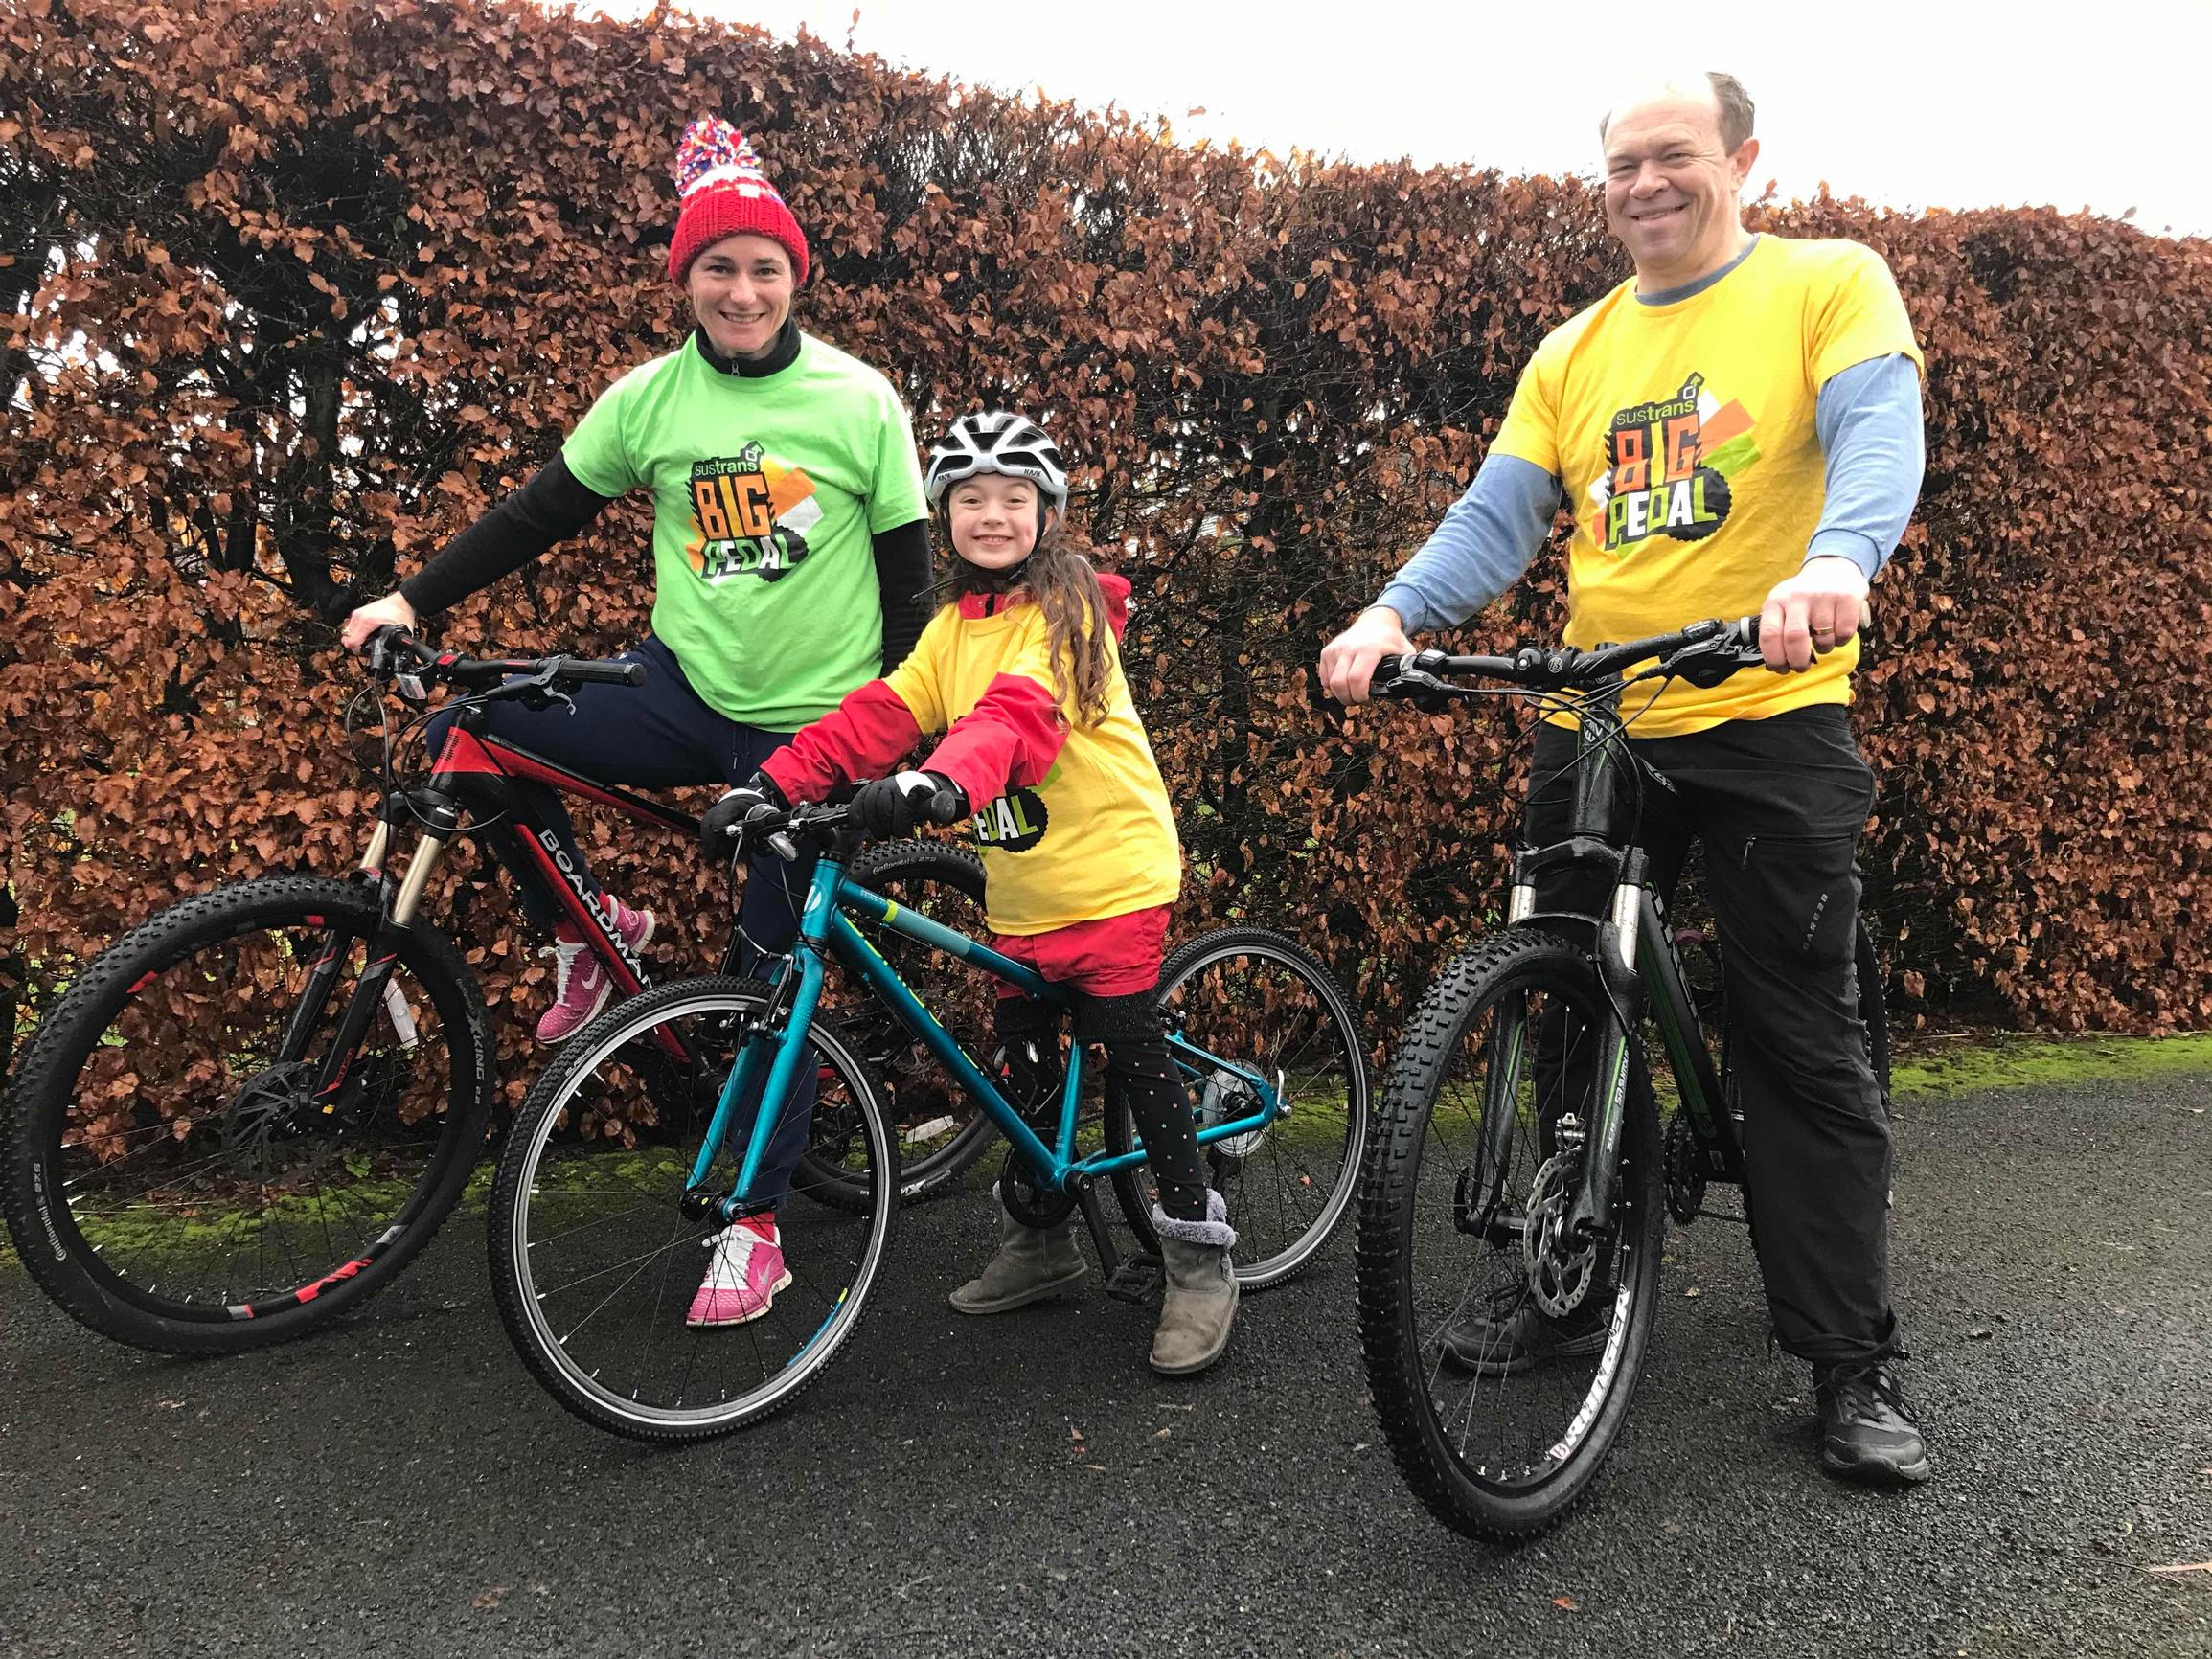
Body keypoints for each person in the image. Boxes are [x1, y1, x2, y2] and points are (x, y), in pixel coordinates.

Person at [1318, 71, 1930, 1486]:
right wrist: (1394, 615)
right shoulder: (1574, 348)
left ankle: (1847, 1361)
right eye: (1620, 166)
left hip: (1770, 702)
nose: (1644, 184)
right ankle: (1559, 1270)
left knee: (1796, 1035)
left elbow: (1874, 440)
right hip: (1600, 713)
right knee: (1557, 1001)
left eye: (1674, 157)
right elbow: (1500, 512)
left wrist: (1836, 563)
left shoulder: (1827, 287)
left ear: (1743, 161)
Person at [340, 115, 932, 1042]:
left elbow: (909, 585)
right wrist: (409, 598)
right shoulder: (646, 400)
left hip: (814, 723)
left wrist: (894, 728)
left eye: (763, 268)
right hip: (681, 687)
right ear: (685, 279)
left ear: (794, 277)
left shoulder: (857, 399)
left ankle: (759, 1189)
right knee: (471, 729)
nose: (742, 292)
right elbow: (537, 512)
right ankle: (588, 929)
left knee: (760, 1010)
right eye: (718, 268)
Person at [693, 412, 1240, 1377]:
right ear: (944, 518)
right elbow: (878, 714)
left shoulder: (1072, 616)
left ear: (1047, 514)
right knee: (1022, 1069)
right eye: (970, 500)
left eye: (1013, 499)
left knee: (1133, 1058)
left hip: (1111, 875)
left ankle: (1197, 1259)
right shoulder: (951, 630)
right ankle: (1040, 1240)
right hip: (1025, 891)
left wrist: (938, 782)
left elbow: (1017, 715)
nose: (991, 515)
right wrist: (772, 783)